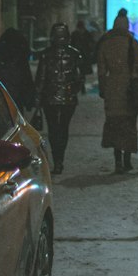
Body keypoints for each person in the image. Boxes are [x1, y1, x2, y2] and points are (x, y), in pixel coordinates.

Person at [96, 8, 138, 173]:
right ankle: (127, 160)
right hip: (129, 88)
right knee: (128, 124)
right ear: (127, 26)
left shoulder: (106, 43)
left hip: (112, 88)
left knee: (114, 124)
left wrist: (104, 88)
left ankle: (117, 160)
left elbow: (101, 70)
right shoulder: (132, 43)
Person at [33, 22, 86, 175]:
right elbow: (79, 77)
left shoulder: (46, 54)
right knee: (63, 129)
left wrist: (37, 97)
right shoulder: (75, 54)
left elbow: (41, 78)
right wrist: (72, 90)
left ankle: (57, 160)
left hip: (50, 97)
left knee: (53, 129)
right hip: (68, 98)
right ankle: (59, 160)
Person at [0, 27, 37, 113]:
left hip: (0, 99)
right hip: (16, 99)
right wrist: (29, 101)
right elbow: (26, 81)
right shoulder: (21, 61)